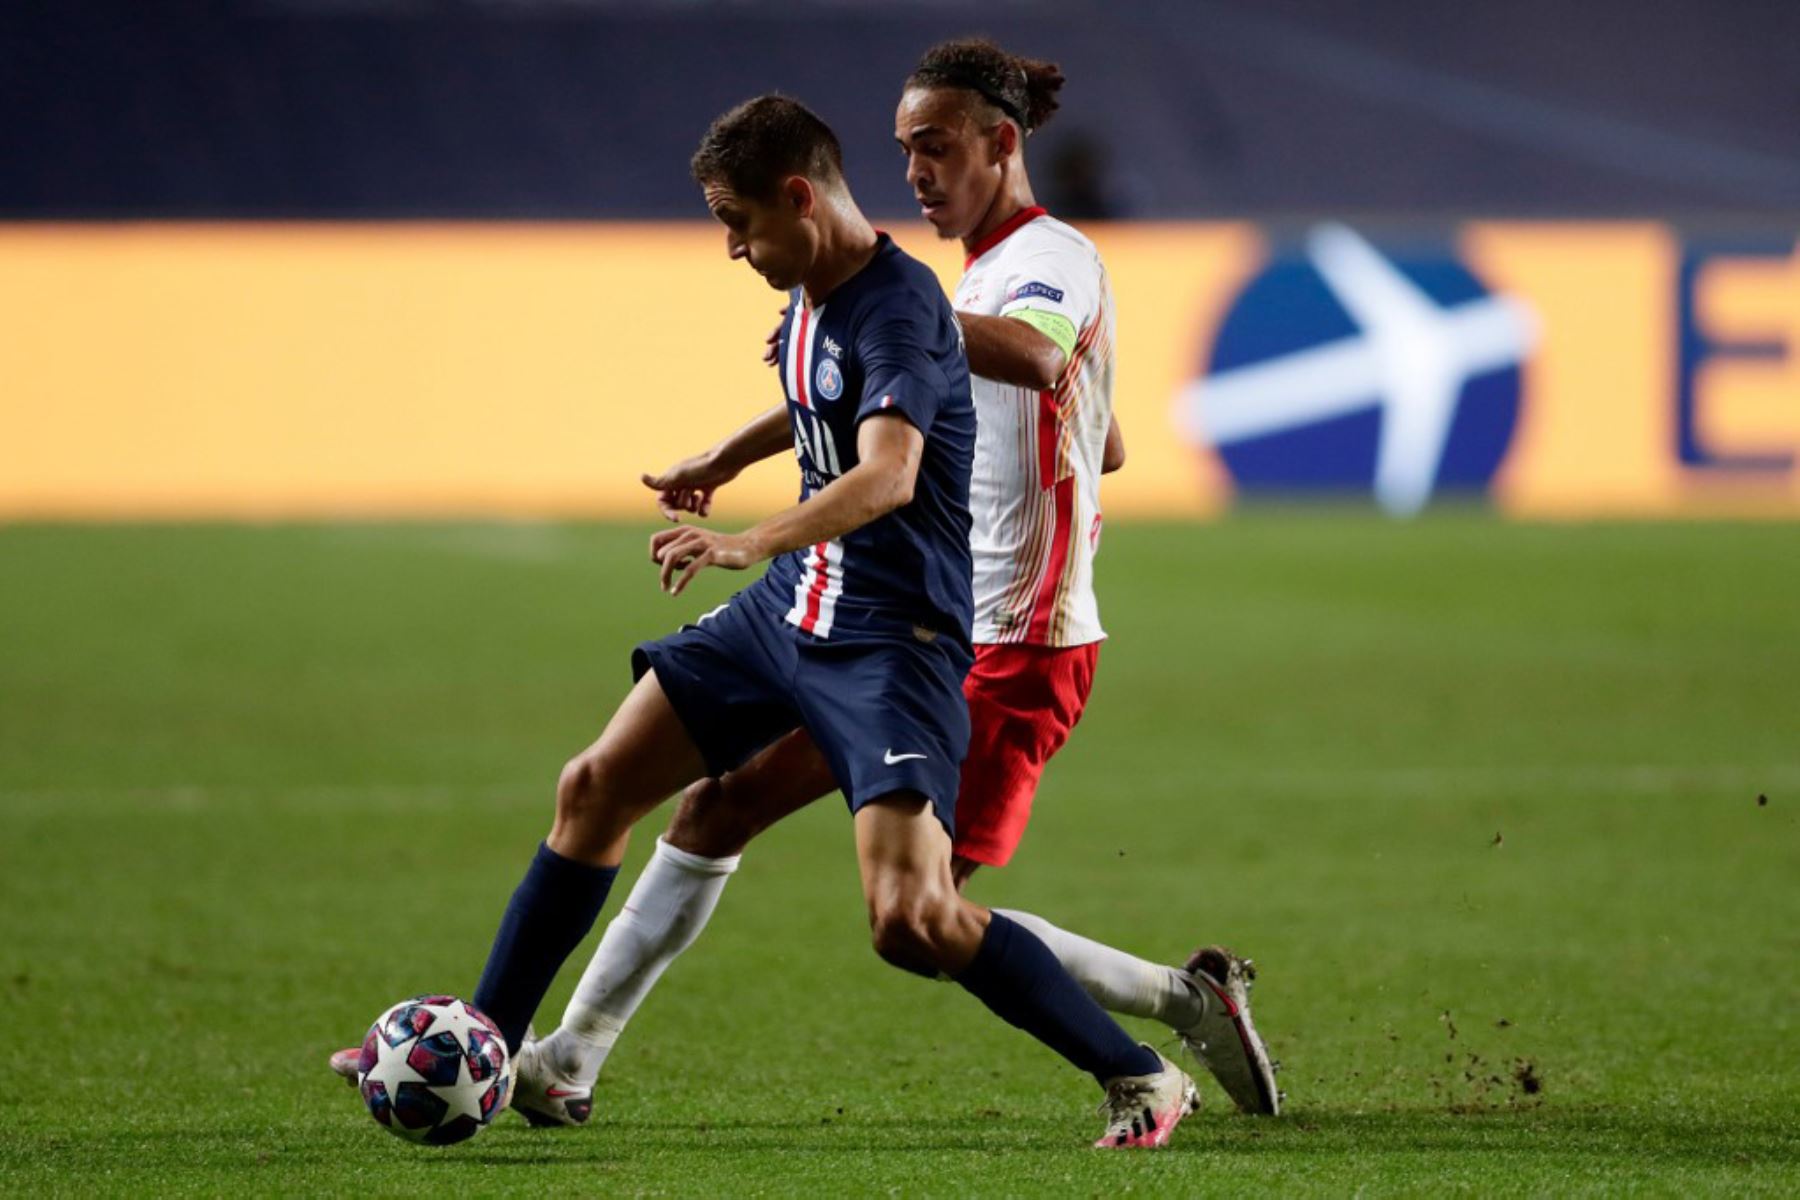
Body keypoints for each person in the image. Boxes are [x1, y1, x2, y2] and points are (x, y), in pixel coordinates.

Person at [337, 93, 1201, 1149]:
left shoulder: (900, 305)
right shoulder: (813, 291)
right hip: (790, 612)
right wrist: (727, 458)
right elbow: (814, 394)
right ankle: (490, 1044)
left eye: (737, 222)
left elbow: (887, 474)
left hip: (891, 641)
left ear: (799, 196)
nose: (732, 247)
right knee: (595, 785)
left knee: (912, 919)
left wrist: (752, 537)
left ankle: (1141, 1073)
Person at [512, 42, 1280, 1130]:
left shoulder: (1047, 257)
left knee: (919, 920)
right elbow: (1058, 427)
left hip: (1016, 635)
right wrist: (766, 424)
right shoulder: (948, 282)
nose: (916, 171)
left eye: (937, 145)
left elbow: (1033, 354)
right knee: (718, 806)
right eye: (903, 149)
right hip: (900, 612)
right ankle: (564, 1059)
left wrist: (893, 314)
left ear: (1000, 144)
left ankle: (1178, 1005)